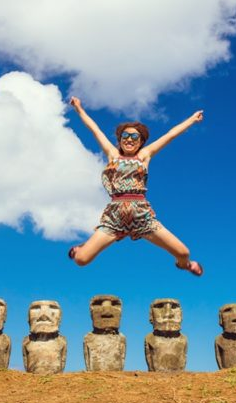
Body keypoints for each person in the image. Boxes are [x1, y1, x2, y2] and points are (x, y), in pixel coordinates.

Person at [68, 96, 204, 276]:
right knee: (81, 260)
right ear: (120, 139)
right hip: (115, 216)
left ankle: (184, 265)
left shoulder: (144, 156)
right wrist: (79, 109)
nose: (130, 139)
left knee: (184, 253)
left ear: (141, 142)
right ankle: (86, 245)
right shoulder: (112, 154)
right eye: (126, 136)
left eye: (135, 137)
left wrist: (192, 120)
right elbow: (95, 130)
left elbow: (170, 135)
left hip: (141, 214)